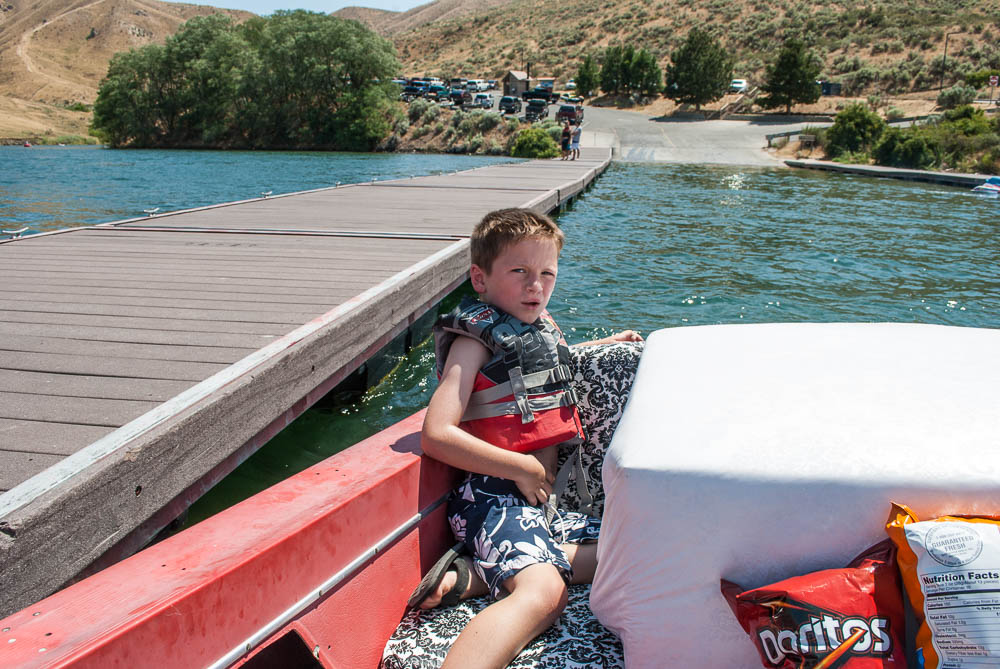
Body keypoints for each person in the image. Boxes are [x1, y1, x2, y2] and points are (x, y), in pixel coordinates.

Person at [409, 208, 643, 668]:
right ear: (480, 278)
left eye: (547, 274)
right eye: (520, 272)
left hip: (541, 507)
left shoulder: (538, 327)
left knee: (638, 545)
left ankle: (475, 575)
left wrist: (604, 346)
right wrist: (522, 467)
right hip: (491, 500)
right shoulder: (472, 342)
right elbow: (436, 434)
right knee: (546, 593)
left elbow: (544, 371)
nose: (536, 285)